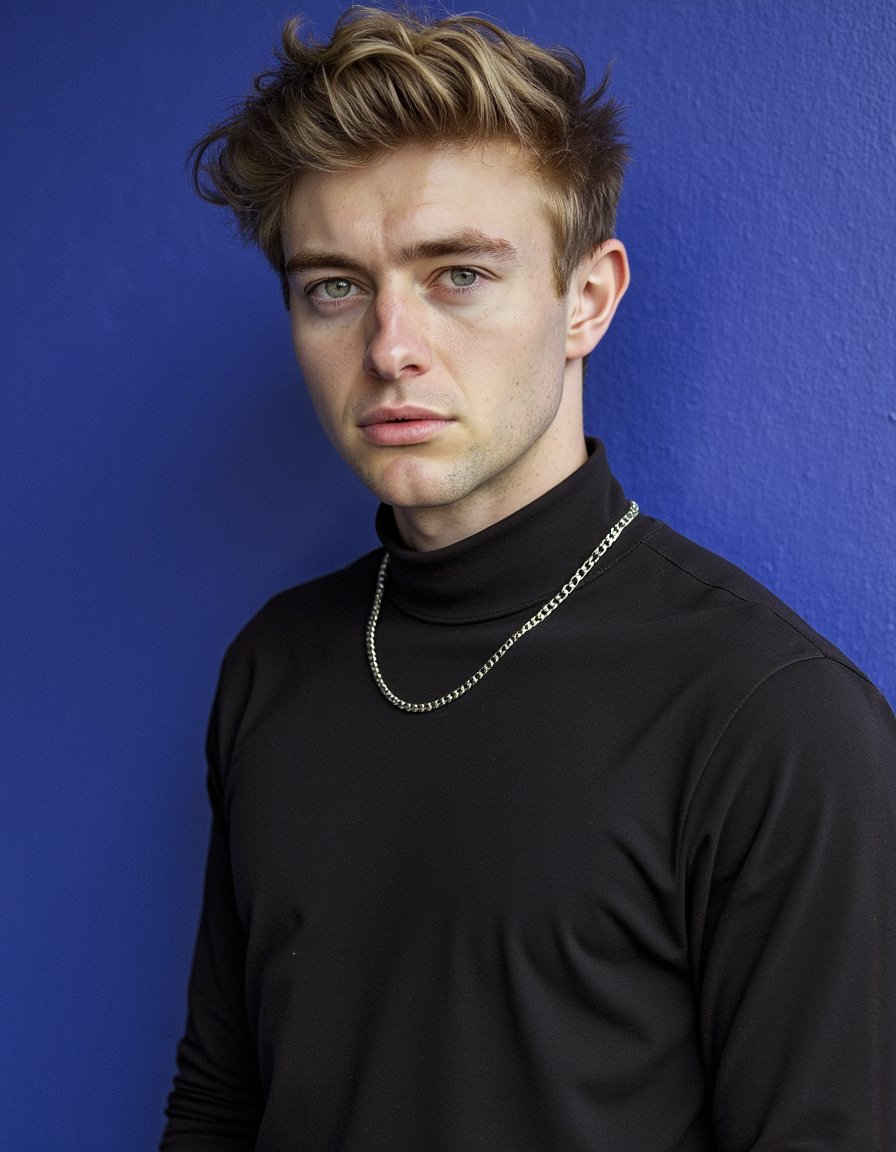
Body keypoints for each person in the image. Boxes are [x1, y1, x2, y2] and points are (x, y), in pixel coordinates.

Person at [161, 7, 896, 1150]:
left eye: (455, 273)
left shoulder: (770, 715)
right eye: (332, 287)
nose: (390, 346)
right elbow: (219, 1101)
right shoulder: (275, 663)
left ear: (586, 300)